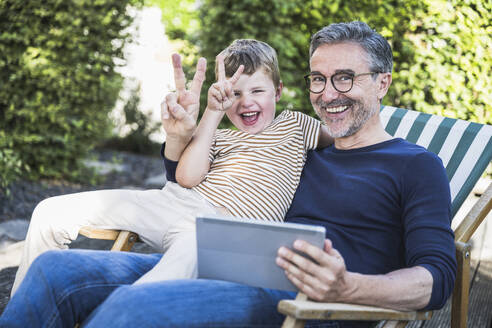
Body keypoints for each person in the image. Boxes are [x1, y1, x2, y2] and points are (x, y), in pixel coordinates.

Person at [0, 21, 456, 328]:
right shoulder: (297, 146)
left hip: (300, 300)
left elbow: (437, 279)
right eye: (318, 79)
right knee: (54, 269)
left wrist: (347, 286)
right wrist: (179, 138)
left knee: (132, 306)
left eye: (345, 78)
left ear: (382, 82)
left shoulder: (415, 165)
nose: (328, 93)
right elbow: (197, 185)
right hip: (220, 260)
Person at [10, 39, 332, 295]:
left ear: (278, 91)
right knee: (48, 212)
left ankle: (120, 311)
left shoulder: (296, 124)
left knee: (161, 278)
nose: (245, 101)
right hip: (171, 203)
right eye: (234, 94)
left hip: (223, 230)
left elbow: (347, 132)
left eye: (257, 91)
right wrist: (212, 112)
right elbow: (187, 177)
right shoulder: (217, 135)